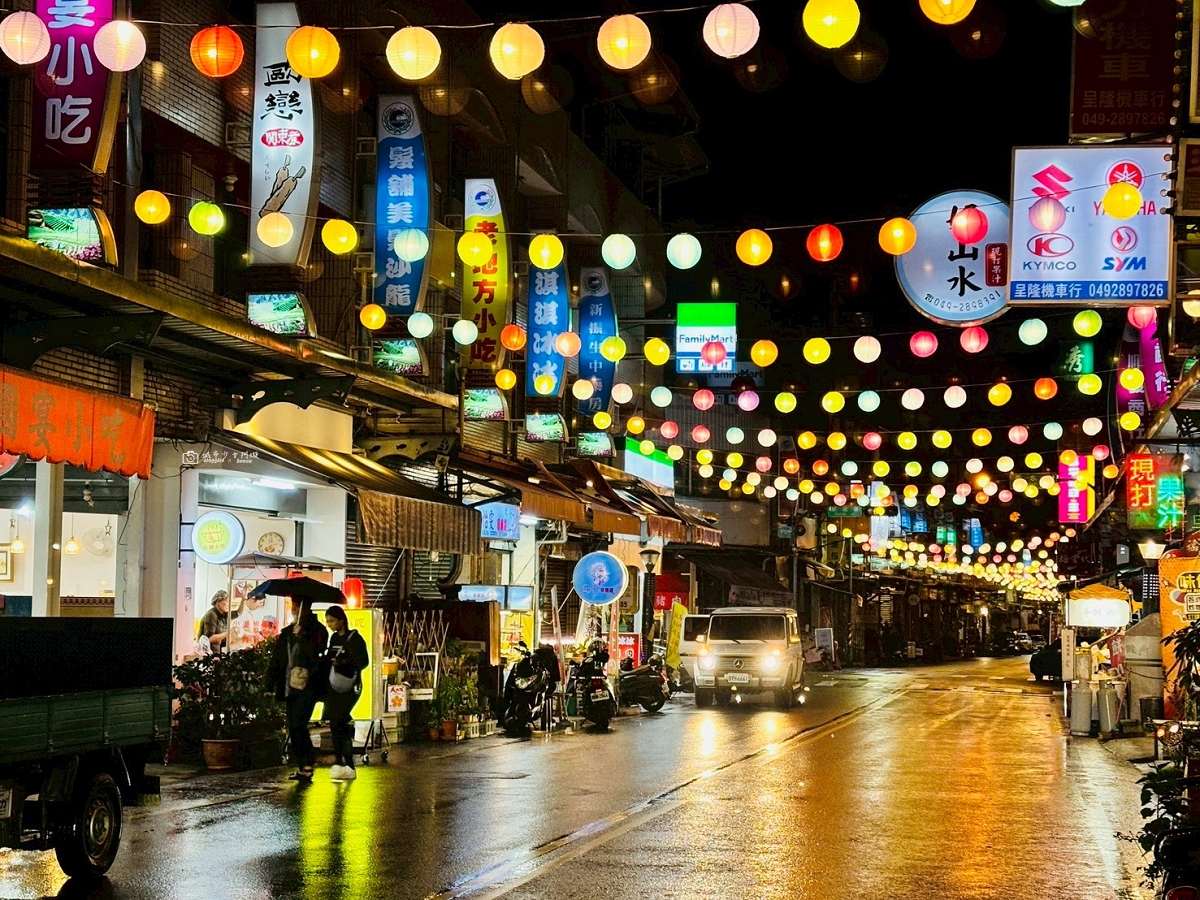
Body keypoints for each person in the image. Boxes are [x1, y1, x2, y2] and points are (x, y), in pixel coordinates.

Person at [268, 598, 328, 782]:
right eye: (293, 607)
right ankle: (304, 765)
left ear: (306, 608)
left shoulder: (317, 631)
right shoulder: (287, 632)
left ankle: (307, 762)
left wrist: (302, 638)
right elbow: (277, 659)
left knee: (298, 724)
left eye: (297, 606)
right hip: (289, 686)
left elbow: (317, 653)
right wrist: (269, 684)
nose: (294, 610)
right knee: (294, 725)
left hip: (307, 685)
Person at [323, 606, 369, 781]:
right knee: (336, 724)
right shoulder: (334, 638)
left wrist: (342, 661)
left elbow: (363, 661)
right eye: (327, 621)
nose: (330, 624)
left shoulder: (355, 639)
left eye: (332, 621)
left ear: (341, 620)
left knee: (339, 721)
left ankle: (347, 764)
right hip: (334, 686)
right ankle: (342, 763)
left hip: (350, 686)